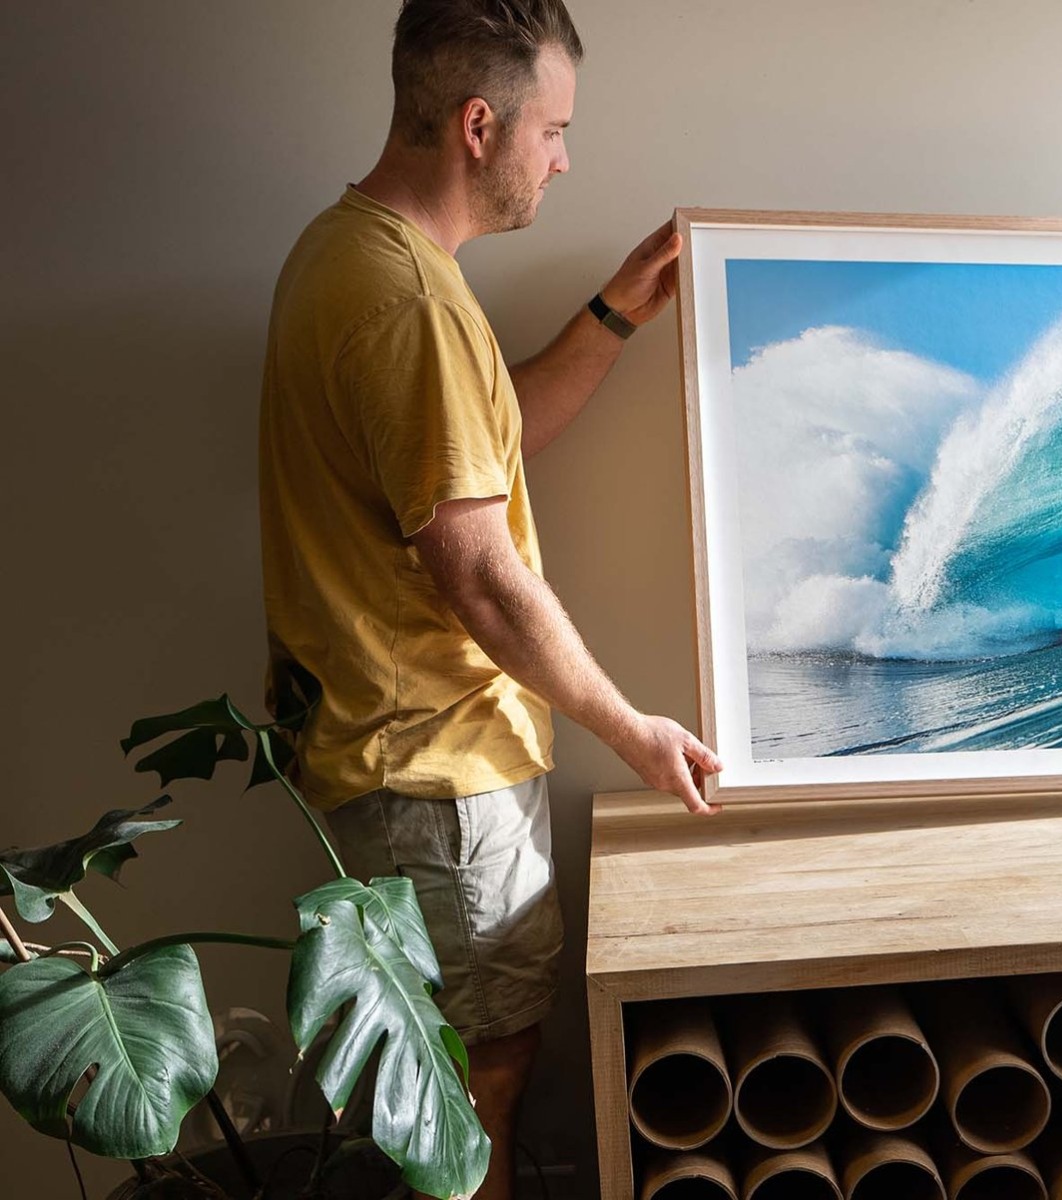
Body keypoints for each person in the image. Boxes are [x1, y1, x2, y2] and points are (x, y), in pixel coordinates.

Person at [257, 1, 721, 1195]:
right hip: (435, 773)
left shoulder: (352, 253)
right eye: (552, 128)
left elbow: (479, 436)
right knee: (475, 1087)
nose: (562, 156)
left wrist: (614, 313)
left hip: (390, 757)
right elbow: (478, 571)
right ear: (479, 125)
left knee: (448, 1086)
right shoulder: (409, 302)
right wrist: (631, 730)